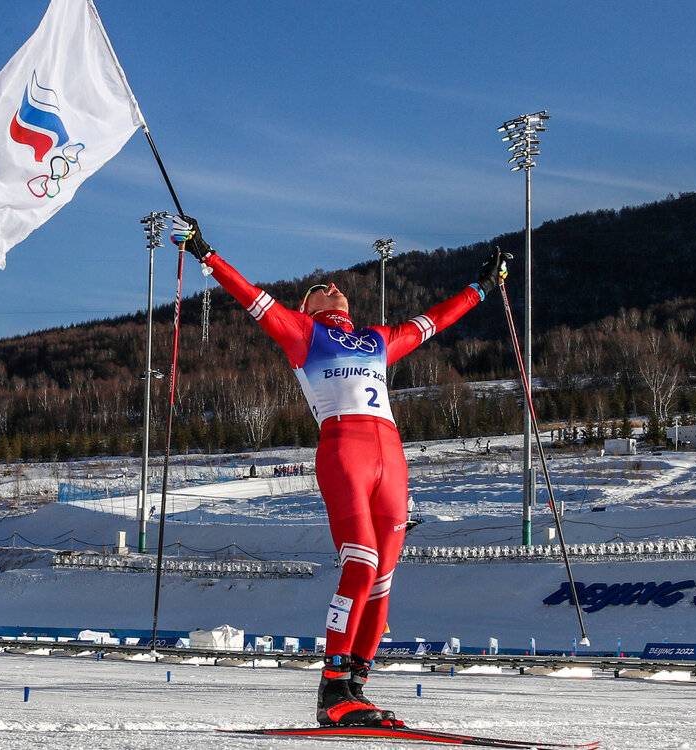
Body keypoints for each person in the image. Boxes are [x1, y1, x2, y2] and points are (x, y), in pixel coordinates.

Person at [172, 216, 508, 727]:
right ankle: (331, 688)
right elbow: (254, 298)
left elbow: (434, 321)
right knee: (361, 563)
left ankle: (356, 686)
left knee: (385, 577)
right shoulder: (302, 333)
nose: (334, 287)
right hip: (345, 451)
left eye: (335, 285)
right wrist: (205, 252)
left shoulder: (376, 338)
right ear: (306, 308)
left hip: (392, 458)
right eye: (318, 288)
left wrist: (480, 288)